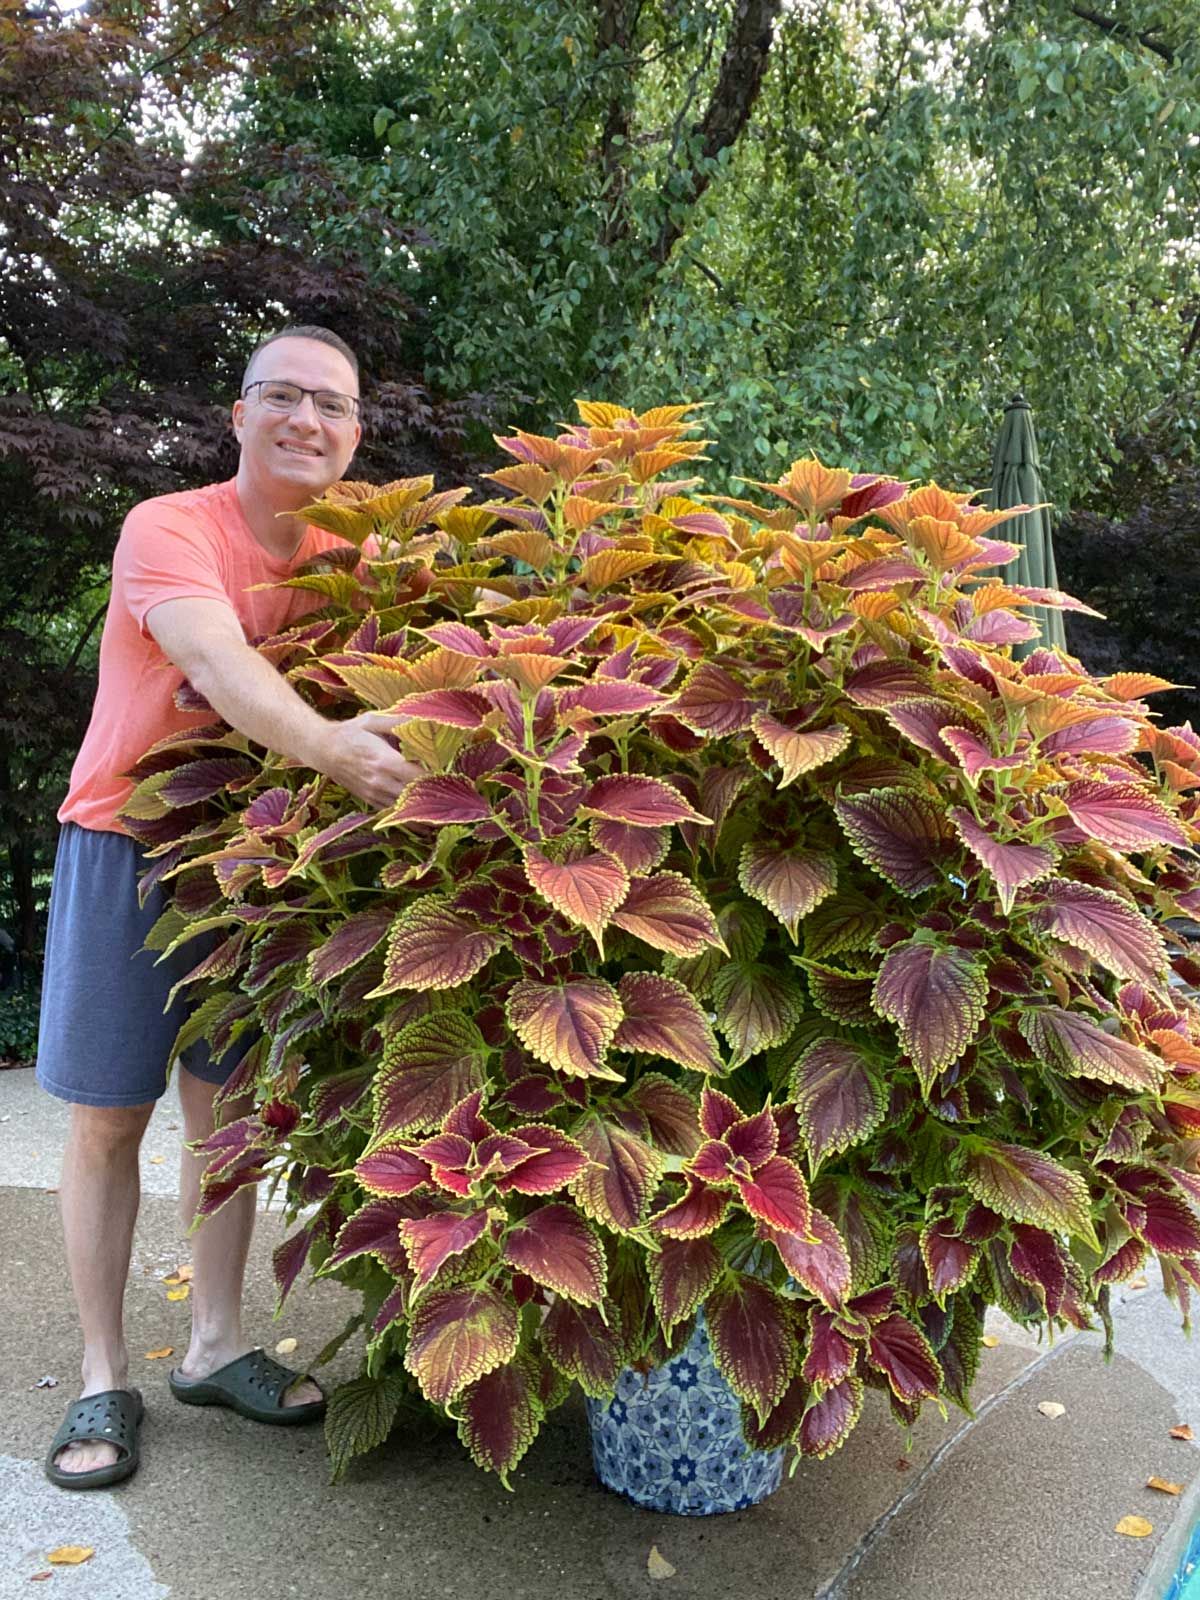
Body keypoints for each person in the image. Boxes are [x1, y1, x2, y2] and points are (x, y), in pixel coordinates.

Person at [38, 326, 422, 1490]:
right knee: (110, 1118)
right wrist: (336, 750)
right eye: (285, 396)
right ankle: (105, 1372)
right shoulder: (169, 528)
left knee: (232, 1116)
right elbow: (216, 662)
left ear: (356, 435)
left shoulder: (357, 554)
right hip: (127, 845)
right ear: (239, 414)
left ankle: (212, 1344)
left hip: (255, 865)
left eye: (335, 406)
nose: (309, 419)